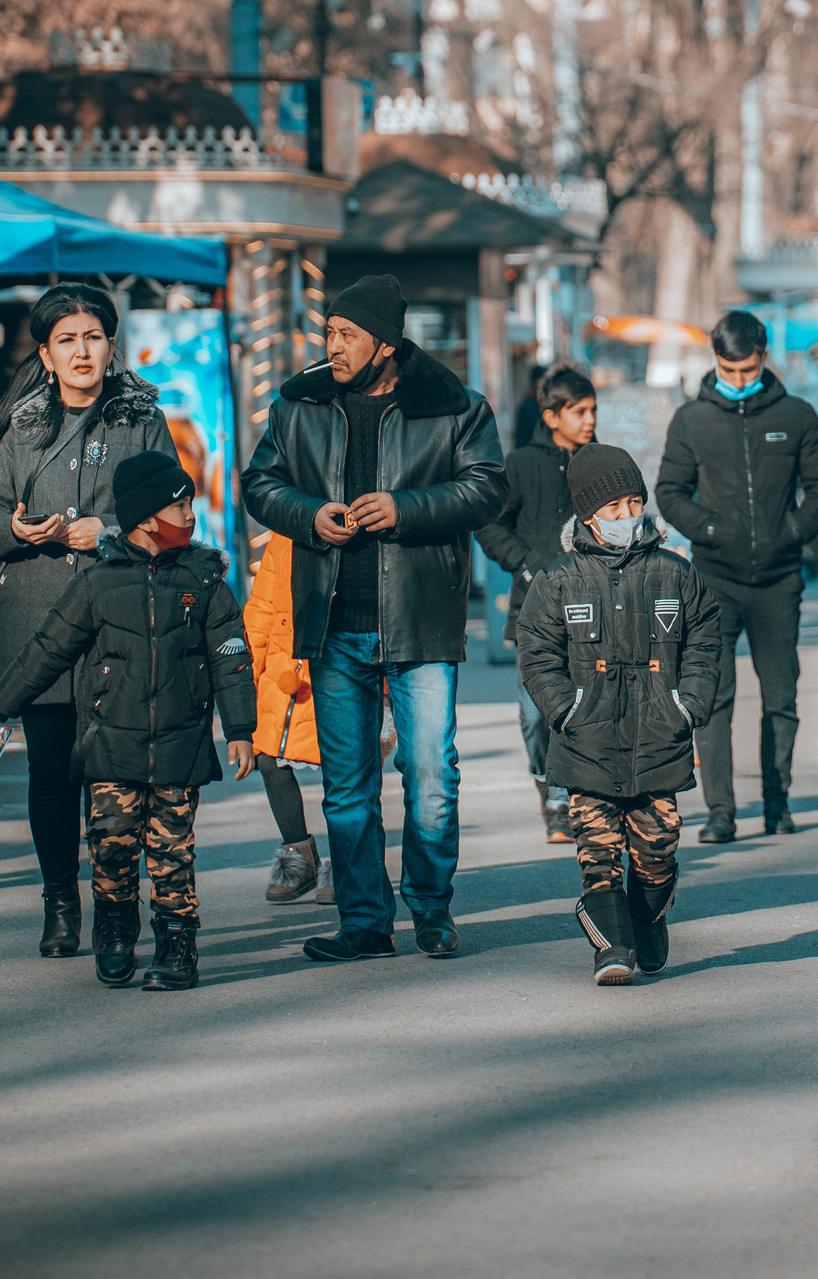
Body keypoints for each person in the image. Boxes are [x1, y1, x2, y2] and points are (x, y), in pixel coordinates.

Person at [242, 273, 504, 962]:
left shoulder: (453, 405)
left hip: (419, 621)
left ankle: (431, 909)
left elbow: (487, 486)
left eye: (347, 334)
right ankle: (364, 919)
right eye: (328, 331)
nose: (332, 345)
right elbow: (260, 484)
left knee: (431, 775)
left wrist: (406, 508)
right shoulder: (300, 402)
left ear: (386, 343)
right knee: (347, 784)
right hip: (330, 624)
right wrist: (308, 514)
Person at [0, 453, 255, 991]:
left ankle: (178, 944)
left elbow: (230, 656)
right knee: (111, 847)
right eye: (181, 505)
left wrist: (241, 729)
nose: (191, 515)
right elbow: (48, 649)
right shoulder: (97, 585)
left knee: (172, 856)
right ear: (148, 517)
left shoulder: (205, 580)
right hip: (110, 748)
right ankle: (115, 928)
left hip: (180, 748)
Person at [0, 284, 178, 959]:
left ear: (111, 346)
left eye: (92, 336)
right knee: (50, 775)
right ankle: (61, 901)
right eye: (67, 340)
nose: (81, 350)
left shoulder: (141, 421)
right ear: (47, 354)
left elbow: (174, 517)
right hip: (38, 620)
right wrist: (16, 527)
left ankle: (118, 902)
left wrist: (108, 531)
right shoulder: (21, 428)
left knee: (118, 776)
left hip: (121, 622)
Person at [514, 445, 724, 983]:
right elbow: (537, 651)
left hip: (659, 737)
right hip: (586, 743)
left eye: (634, 502)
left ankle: (648, 920)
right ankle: (612, 949)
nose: (627, 516)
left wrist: (689, 702)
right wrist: (566, 709)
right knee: (598, 852)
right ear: (587, 516)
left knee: (658, 846)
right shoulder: (559, 579)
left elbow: (704, 637)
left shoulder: (674, 573)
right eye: (613, 507)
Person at [656, 310, 818, 841]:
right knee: (713, 699)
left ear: (764, 356)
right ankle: (720, 811)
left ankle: (777, 802)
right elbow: (670, 492)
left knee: (781, 694)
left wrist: (792, 532)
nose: (738, 380)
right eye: (728, 370)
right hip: (714, 579)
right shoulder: (692, 419)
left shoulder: (798, 414)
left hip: (780, 579)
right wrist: (709, 529)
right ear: (715, 362)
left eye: (747, 369)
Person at [476, 364, 598, 840]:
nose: (589, 420)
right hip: (536, 614)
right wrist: (528, 567)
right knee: (535, 716)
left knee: (588, 711)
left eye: (593, 411)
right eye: (579, 411)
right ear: (551, 416)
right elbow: (488, 524)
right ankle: (545, 781)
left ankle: (566, 800)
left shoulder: (601, 461)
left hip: (595, 613)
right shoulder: (522, 465)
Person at [242, 534, 331, 906]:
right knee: (268, 758)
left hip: (336, 665)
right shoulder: (282, 538)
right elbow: (260, 610)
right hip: (282, 668)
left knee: (346, 768)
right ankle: (299, 855)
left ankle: (349, 861)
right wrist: (247, 680)